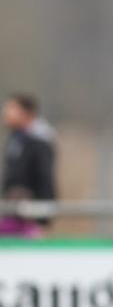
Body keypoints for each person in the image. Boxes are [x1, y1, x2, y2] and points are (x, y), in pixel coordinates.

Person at [1, 93, 56, 237]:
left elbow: (45, 180)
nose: (6, 113)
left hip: (29, 218)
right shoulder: (15, 139)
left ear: (27, 113)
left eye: (12, 108)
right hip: (11, 213)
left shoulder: (40, 142)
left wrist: (42, 218)